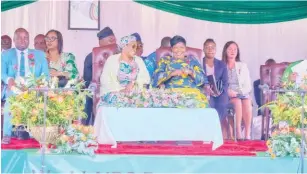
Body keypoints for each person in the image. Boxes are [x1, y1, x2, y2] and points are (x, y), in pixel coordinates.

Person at [94, 35, 150, 144]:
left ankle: (135, 137)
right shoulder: (112, 60)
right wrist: (119, 91)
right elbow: (105, 80)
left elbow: (146, 78)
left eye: (136, 47)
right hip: (114, 92)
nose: (135, 49)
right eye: (132, 46)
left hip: (134, 92)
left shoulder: (138, 60)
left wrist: (134, 84)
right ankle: (117, 135)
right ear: (124, 47)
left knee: (145, 100)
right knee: (118, 100)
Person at [1, 28, 49, 144]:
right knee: (10, 98)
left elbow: (46, 75)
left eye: (26, 38)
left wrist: (40, 83)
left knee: (38, 98)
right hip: (14, 86)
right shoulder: (6, 55)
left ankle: (34, 132)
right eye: (20, 38)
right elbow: (2, 72)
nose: (23, 40)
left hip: (33, 86)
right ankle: (7, 134)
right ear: (14, 39)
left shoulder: (39, 55)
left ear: (29, 39)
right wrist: (9, 79)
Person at [152, 35, 208, 102]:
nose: (179, 50)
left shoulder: (192, 60)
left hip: (192, 94)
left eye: (182, 47)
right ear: (172, 49)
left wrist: (191, 72)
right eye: (176, 47)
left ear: (185, 48)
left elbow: (203, 79)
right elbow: (156, 78)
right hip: (171, 94)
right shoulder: (165, 60)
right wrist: (172, 73)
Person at [83, 27, 117, 125]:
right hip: (98, 90)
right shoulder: (92, 57)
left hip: (115, 90)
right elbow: (88, 80)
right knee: (87, 95)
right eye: (110, 40)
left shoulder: (120, 55)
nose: (113, 42)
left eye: (114, 39)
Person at [222, 41, 252, 140]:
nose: (232, 51)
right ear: (225, 51)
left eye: (235, 49)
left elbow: (248, 85)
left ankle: (247, 134)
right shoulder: (221, 66)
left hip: (241, 93)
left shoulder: (242, 66)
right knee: (237, 101)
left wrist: (240, 93)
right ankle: (238, 132)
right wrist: (228, 92)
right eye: (230, 49)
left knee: (247, 101)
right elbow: (219, 83)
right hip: (227, 95)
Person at [202, 38, 229, 138]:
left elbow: (226, 83)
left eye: (212, 47)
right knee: (209, 104)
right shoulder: (199, 63)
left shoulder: (221, 64)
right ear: (203, 49)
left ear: (216, 50)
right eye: (207, 47)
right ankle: (209, 132)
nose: (210, 49)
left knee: (223, 103)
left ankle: (214, 128)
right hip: (205, 93)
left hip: (219, 93)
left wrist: (220, 92)